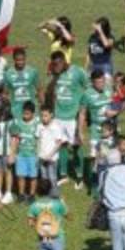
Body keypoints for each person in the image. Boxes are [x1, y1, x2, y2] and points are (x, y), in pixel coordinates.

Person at [43, 51, 87, 187]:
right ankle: (63, 174)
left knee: (76, 145)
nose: (55, 67)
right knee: (61, 144)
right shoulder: (55, 74)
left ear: (63, 61)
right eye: (53, 64)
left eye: (57, 64)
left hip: (72, 116)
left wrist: (83, 108)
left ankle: (79, 177)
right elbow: (49, 91)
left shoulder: (78, 72)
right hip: (58, 116)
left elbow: (88, 86)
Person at [81, 68, 118, 192]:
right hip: (95, 131)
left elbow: (119, 104)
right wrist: (80, 131)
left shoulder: (109, 90)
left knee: (111, 156)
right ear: (92, 82)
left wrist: (114, 112)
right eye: (98, 82)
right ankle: (93, 183)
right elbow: (82, 113)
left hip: (110, 131)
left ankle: (110, 181)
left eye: (102, 81)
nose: (101, 84)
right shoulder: (87, 94)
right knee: (94, 157)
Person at [27, 178, 69, 250]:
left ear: (37, 191)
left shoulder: (34, 205)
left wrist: (40, 221)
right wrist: (63, 203)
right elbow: (69, 217)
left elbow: (30, 223)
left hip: (42, 238)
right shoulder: (57, 204)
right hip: (57, 237)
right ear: (50, 190)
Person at [12, 101, 40, 203]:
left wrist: (38, 154)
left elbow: (39, 139)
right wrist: (13, 153)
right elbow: (15, 138)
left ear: (33, 113)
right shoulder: (18, 122)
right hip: (21, 154)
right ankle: (21, 194)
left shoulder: (37, 123)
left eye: (28, 114)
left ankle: (32, 195)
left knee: (33, 176)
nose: (25, 115)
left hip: (33, 155)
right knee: (21, 175)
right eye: (24, 113)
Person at [35, 106, 68, 188]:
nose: (43, 118)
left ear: (51, 115)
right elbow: (38, 140)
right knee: (44, 176)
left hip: (52, 158)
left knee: (52, 176)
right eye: (42, 116)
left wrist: (50, 155)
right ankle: (46, 192)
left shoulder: (56, 127)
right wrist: (38, 153)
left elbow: (59, 143)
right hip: (42, 157)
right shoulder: (39, 126)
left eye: (45, 116)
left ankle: (54, 192)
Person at [4, 48, 40, 114]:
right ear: (14, 59)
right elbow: (5, 93)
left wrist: (43, 105)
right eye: (18, 60)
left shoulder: (32, 71)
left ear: (25, 58)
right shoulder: (8, 74)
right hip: (15, 110)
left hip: (31, 110)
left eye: (22, 60)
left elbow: (39, 89)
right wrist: (7, 104)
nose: (20, 62)